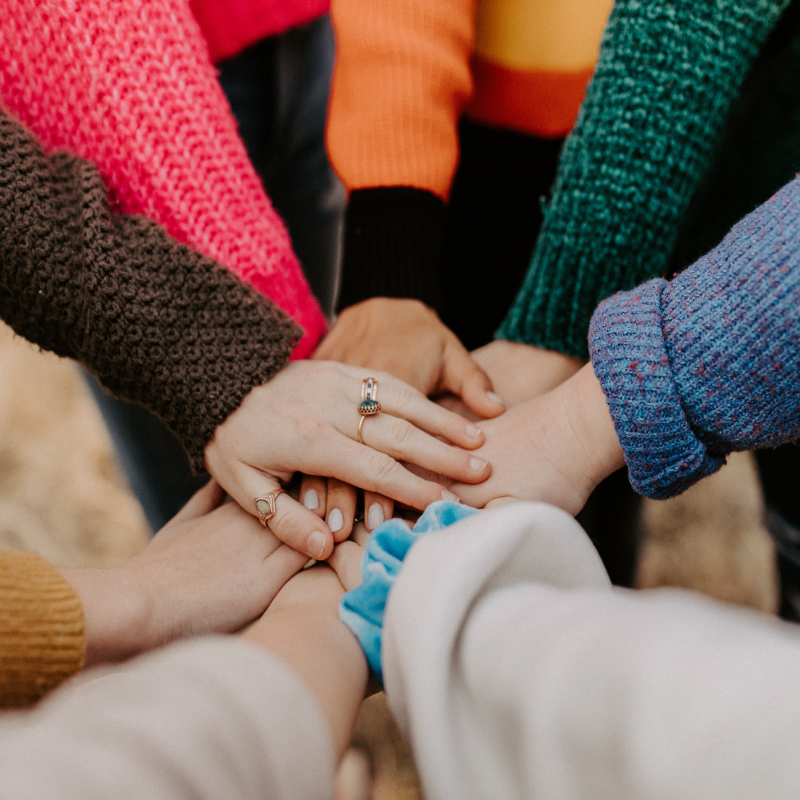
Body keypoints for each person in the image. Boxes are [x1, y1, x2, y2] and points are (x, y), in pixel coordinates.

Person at [0, 0, 344, 530]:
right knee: (242, 551)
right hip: (112, 93)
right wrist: (200, 345)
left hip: (304, 32)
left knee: (328, 425)